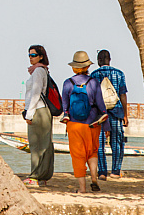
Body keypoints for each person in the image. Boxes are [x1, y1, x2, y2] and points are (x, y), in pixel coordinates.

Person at [61, 50, 108, 194]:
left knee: (78, 156)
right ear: (87, 66)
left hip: (74, 125)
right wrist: (105, 121)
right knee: (92, 152)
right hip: (92, 124)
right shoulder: (93, 82)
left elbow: (65, 105)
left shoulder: (68, 83)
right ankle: (94, 179)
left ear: (74, 67)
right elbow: (101, 104)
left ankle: (82, 189)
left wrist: (67, 115)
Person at [91, 50, 128, 180]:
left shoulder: (94, 75)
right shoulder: (119, 74)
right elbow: (123, 94)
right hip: (116, 112)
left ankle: (102, 172)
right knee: (117, 141)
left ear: (98, 60)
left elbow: (91, 96)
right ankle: (116, 171)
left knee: (99, 142)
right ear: (110, 59)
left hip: (99, 114)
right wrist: (125, 114)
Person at [22, 44, 55, 187]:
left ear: (41, 56)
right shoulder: (42, 71)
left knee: (36, 145)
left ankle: (34, 176)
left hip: (38, 111)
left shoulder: (37, 72)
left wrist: (29, 114)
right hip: (43, 111)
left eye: (34, 55)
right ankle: (43, 175)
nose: (31, 58)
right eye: (29, 55)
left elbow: (35, 93)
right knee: (45, 144)